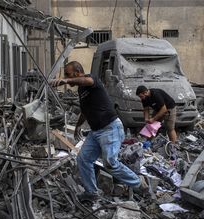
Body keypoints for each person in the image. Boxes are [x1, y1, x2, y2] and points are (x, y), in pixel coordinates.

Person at [51, 61, 141, 201]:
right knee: (83, 159)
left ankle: (138, 183)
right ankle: (92, 193)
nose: (66, 77)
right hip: (96, 132)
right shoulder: (81, 90)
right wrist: (78, 126)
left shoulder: (92, 79)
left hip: (110, 128)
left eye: (68, 74)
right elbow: (85, 110)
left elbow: (86, 80)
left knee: (110, 163)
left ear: (78, 72)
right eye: (66, 75)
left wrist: (65, 80)